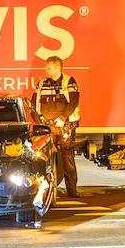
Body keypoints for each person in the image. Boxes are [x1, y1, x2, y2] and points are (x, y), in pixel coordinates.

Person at [33, 55, 81, 198]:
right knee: (46, 159)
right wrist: (39, 119)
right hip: (47, 127)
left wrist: (62, 118)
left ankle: (72, 191)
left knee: (67, 158)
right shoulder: (42, 82)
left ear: (58, 68)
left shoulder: (68, 81)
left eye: (49, 68)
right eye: (46, 67)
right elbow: (34, 102)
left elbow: (73, 102)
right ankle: (47, 191)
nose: (46, 70)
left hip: (65, 126)